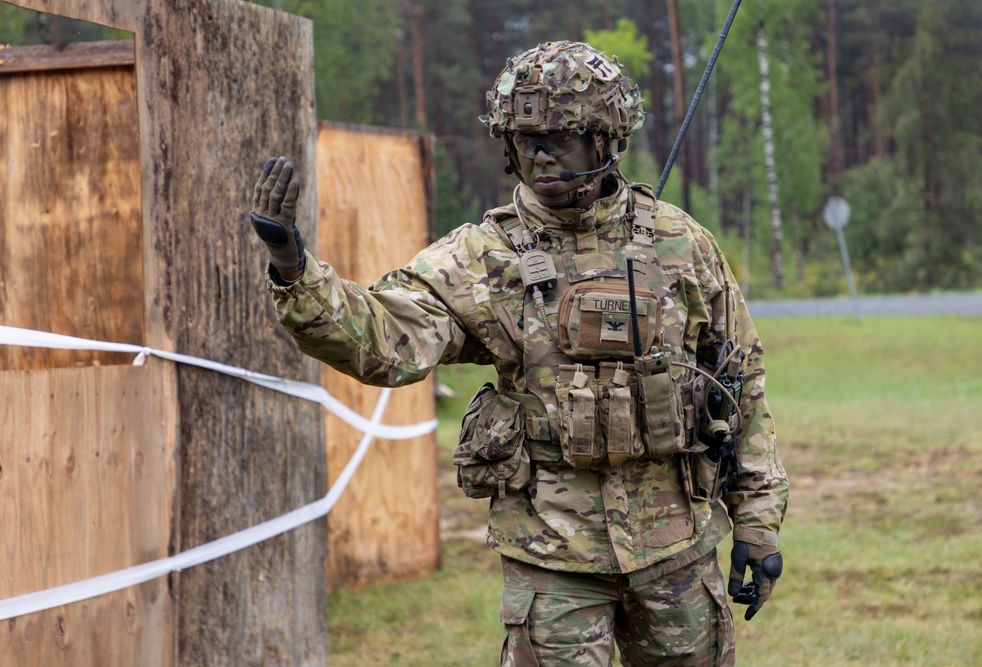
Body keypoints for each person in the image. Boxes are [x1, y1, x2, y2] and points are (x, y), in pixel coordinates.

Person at [249, 41, 788, 667]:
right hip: (553, 562)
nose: (540, 153)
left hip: (675, 550)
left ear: (607, 138)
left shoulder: (680, 245)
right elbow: (384, 342)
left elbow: (741, 383)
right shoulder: (481, 257)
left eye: (563, 137)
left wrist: (756, 521)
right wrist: (294, 270)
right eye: (525, 137)